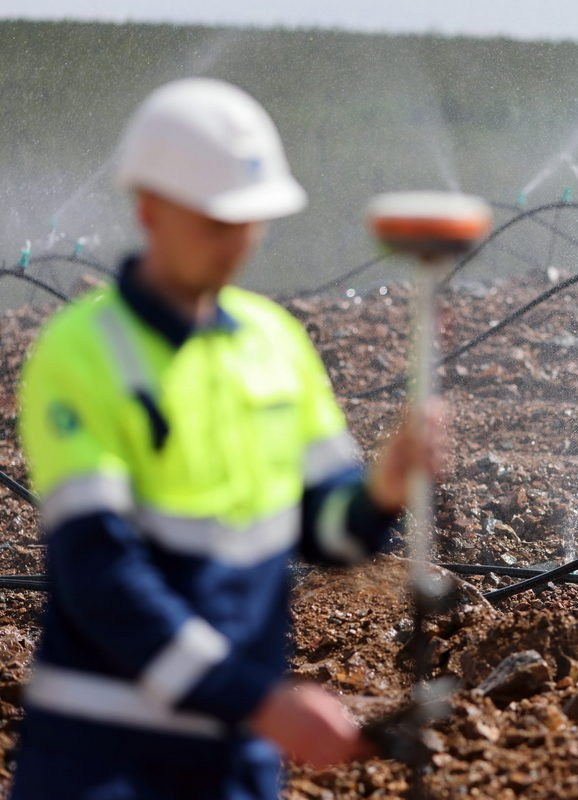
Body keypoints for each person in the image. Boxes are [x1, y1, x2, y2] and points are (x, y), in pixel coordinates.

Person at [10, 77, 436, 799]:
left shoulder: (275, 344)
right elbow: (100, 577)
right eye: (215, 222)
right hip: (102, 757)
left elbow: (328, 532)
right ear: (148, 208)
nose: (237, 241)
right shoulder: (82, 353)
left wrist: (384, 490)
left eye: (250, 220)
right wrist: (261, 702)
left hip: (233, 760)